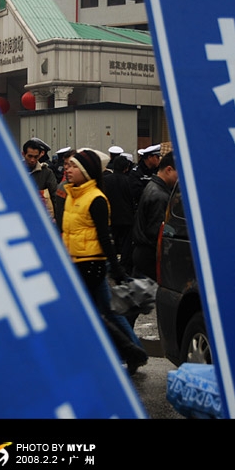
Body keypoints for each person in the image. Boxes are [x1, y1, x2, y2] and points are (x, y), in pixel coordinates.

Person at [62, 148, 148, 374]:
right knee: (108, 312)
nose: (68, 169)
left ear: (86, 171)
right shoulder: (73, 194)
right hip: (76, 262)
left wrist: (116, 269)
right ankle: (134, 352)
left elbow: (104, 237)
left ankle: (101, 355)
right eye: (68, 165)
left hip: (91, 265)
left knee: (87, 314)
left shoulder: (96, 198)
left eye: (73, 166)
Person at [132, 150, 178, 282]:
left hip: (142, 252)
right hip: (149, 254)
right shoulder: (160, 195)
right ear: (169, 170)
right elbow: (156, 231)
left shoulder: (153, 186)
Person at [103, 154, 135, 274]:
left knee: (113, 243)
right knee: (126, 245)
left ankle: (113, 266)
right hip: (127, 218)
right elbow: (132, 199)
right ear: (126, 168)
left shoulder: (106, 180)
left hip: (111, 217)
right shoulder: (128, 181)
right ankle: (124, 267)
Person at [23, 138, 58, 221]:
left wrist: (56, 218)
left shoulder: (46, 173)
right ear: (23, 154)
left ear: (39, 155)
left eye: (36, 157)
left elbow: (55, 196)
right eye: (30, 156)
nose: (32, 160)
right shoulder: (15, 171)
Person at [129, 143, 162, 209]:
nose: (159, 159)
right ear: (149, 157)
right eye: (157, 157)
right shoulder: (136, 172)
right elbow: (137, 193)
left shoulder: (159, 170)